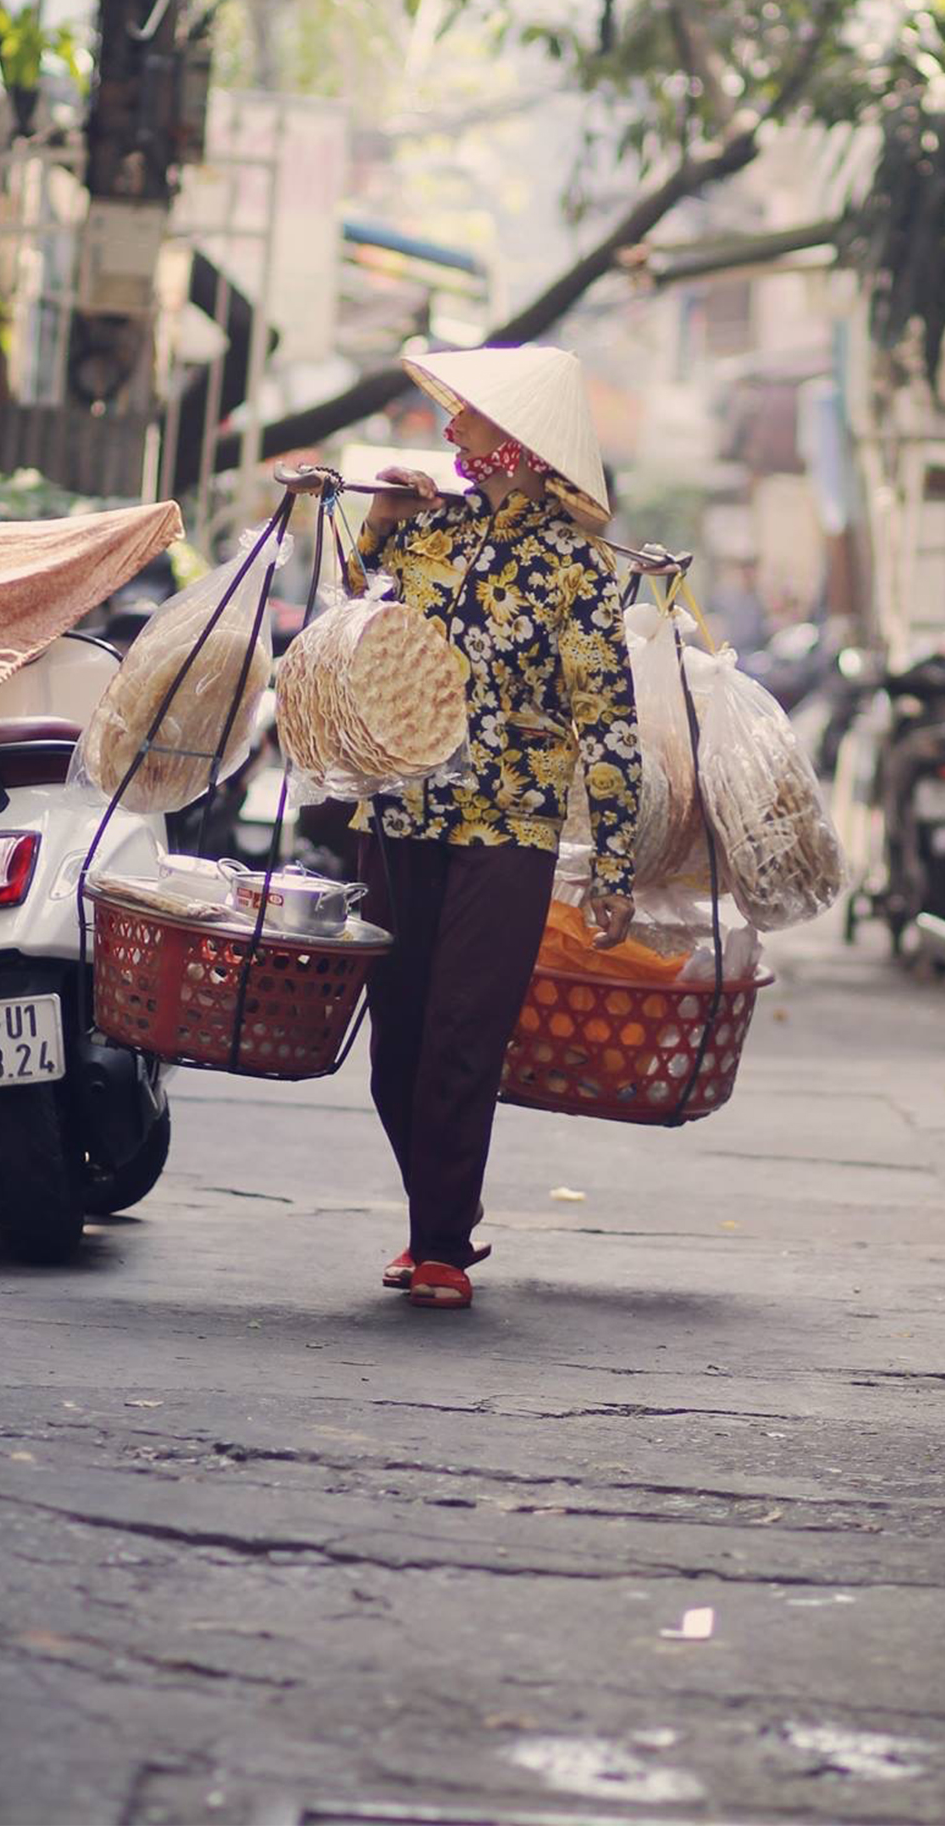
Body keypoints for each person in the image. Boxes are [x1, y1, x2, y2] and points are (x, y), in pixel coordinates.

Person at [335, 344, 640, 1311]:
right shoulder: (430, 531)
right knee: (394, 1044)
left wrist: (616, 862)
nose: (450, 424)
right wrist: (376, 532)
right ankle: (441, 1220)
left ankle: (438, 1246)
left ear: (517, 442)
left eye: (470, 413)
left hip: (512, 821)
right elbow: (354, 622)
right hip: (400, 803)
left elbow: (609, 713)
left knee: (465, 1031)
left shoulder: (579, 568)